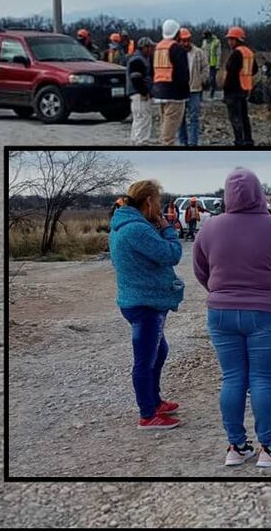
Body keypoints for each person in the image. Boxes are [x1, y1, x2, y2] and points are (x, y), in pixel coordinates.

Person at [192, 168, 271, 467]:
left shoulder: (209, 228)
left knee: (232, 378)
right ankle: (269, 448)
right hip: (269, 312)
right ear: (260, 193)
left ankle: (236, 446)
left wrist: (222, 293)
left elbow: (201, 271)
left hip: (221, 312)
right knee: (262, 380)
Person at [109, 179, 185, 430]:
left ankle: (154, 401)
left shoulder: (123, 225)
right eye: (159, 202)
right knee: (145, 359)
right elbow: (171, 254)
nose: (161, 208)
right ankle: (147, 414)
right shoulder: (136, 229)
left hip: (138, 299)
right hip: (145, 303)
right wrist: (167, 229)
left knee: (158, 351)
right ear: (149, 201)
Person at [152, 19, 190, 146]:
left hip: (160, 91)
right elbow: (183, 74)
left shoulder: (158, 48)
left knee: (165, 127)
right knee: (168, 135)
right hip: (175, 95)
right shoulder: (177, 49)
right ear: (177, 33)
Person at [222, 26, 257, 146]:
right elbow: (255, 69)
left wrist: (225, 91)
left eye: (231, 39)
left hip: (233, 90)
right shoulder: (249, 52)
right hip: (245, 89)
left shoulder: (236, 53)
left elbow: (231, 73)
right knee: (244, 117)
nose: (229, 42)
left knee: (235, 119)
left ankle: (239, 141)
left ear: (237, 40)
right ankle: (248, 140)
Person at [178, 28, 208, 146]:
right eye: (183, 41)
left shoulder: (198, 52)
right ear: (179, 41)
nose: (186, 43)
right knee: (180, 119)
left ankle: (193, 143)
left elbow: (205, 68)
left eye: (187, 40)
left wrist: (201, 80)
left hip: (194, 90)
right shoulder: (177, 53)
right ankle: (183, 142)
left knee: (194, 118)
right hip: (180, 91)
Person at [126, 37, 155, 145]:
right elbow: (136, 78)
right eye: (150, 47)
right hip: (139, 94)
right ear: (144, 47)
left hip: (135, 94)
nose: (151, 50)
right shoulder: (138, 60)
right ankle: (141, 141)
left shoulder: (137, 58)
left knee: (138, 118)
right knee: (143, 118)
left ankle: (135, 140)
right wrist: (144, 92)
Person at [202, 30, 221, 99]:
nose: (205, 39)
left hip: (213, 64)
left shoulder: (216, 42)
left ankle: (212, 94)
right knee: (205, 78)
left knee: (212, 79)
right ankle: (205, 93)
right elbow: (202, 51)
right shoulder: (204, 42)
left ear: (209, 36)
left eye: (206, 37)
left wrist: (218, 64)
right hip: (206, 63)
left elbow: (218, 54)